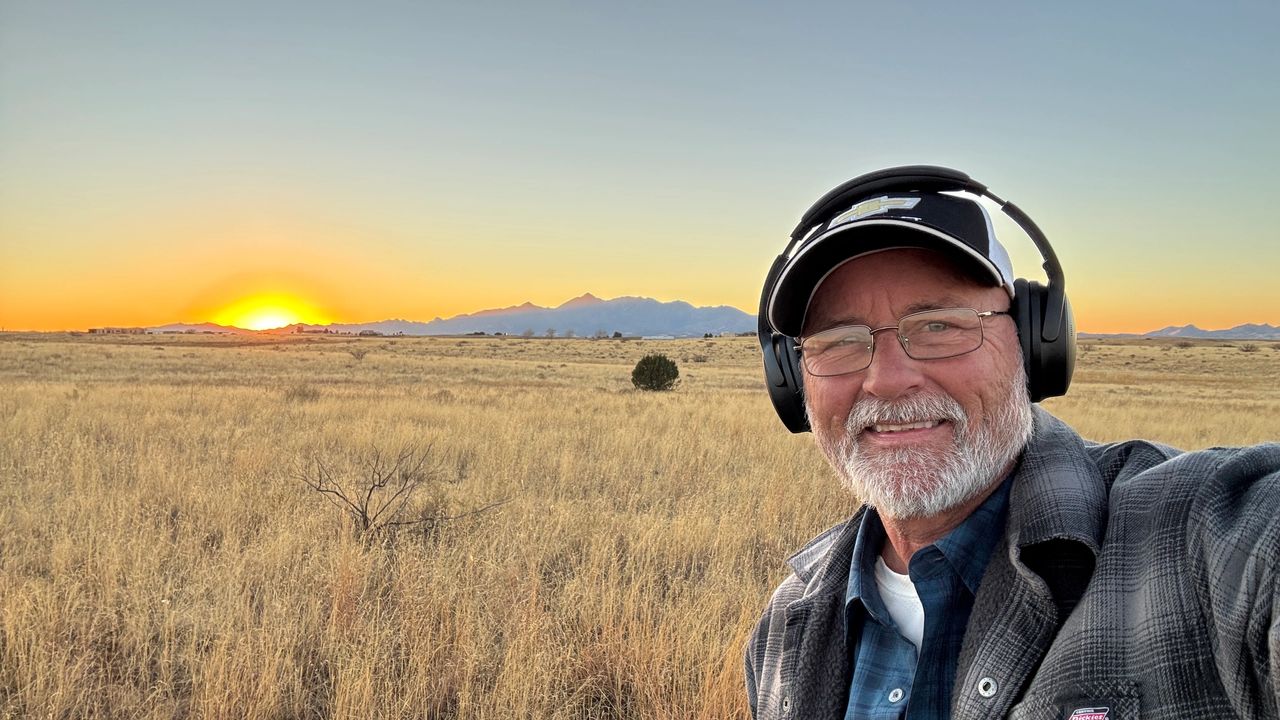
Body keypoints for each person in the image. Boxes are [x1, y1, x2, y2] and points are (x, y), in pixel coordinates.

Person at [744, 167, 1280, 719]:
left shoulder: (1195, 537)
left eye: (938, 326)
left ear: (1032, 344)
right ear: (792, 380)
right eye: (839, 341)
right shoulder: (785, 629)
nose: (886, 379)